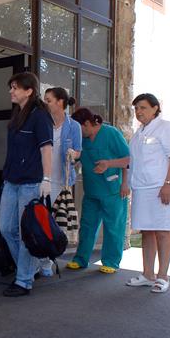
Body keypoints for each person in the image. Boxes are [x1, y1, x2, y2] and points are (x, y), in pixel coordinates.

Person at [0, 72, 53, 296]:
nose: (11, 91)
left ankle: (23, 281)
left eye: (15, 87)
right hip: (11, 181)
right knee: (6, 229)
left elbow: (46, 148)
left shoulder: (40, 115)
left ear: (29, 90)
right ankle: (33, 267)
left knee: (25, 233)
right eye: (11, 87)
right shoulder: (17, 114)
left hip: (30, 182)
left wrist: (46, 179)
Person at [126, 93, 170, 293]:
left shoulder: (166, 128)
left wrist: (168, 184)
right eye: (136, 109)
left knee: (162, 231)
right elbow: (132, 162)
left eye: (143, 107)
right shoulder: (139, 132)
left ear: (155, 108)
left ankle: (163, 276)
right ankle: (148, 274)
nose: (139, 112)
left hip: (159, 188)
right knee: (147, 231)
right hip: (141, 189)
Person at [66, 108, 130, 274]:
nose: (78, 133)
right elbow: (78, 157)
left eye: (79, 128)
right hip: (92, 191)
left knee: (113, 227)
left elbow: (128, 159)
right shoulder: (83, 139)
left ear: (87, 124)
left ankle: (111, 262)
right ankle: (81, 259)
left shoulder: (111, 134)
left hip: (113, 191)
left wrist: (124, 183)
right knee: (87, 226)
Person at [39, 87, 82, 276]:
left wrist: (73, 154)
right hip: (41, 179)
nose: (45, 103)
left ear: (60, 102)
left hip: (62, 182)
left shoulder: (74, 126)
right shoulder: (43, 122)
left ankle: (48, 260)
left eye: (48, 100)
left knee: (54, 222)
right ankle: (38, 259)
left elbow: (79, 151)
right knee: (39, 219)